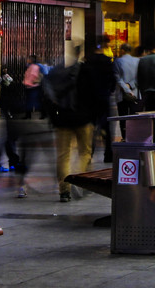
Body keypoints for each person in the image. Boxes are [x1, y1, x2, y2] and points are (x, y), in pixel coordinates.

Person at [44, 57, 101, 202]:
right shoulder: (85, 71)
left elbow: (47, 96)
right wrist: (95, 118)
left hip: (62, 119)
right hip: (84, 118)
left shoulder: (55, 73)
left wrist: (53, 118)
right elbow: (95, 95)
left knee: (63, 155)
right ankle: (78, 180)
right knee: (85, 152)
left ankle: (64, 191)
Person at [85, 36, 117, 162]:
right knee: (107, 127)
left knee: (90, 126)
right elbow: (113, 79)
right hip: (104, 96)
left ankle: (89, 153)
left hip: (90, 98)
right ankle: (108, 153)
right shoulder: (107, 61)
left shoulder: (88, 61)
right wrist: (110, 90)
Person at [114, 43, 140, 120]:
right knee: (134, 119)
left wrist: (126, 89)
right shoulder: (137, 60)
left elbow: (118, 79)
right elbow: (140, 77)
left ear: (122, 50)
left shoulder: (117, 61)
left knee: (123, 119)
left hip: (122, 94)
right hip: (135, 93)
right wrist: (131, 85)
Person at [22, 54, 44, 119]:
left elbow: (33, 76)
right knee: (30, 101)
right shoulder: (30, 66)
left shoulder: (34, 67)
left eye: (29, 59)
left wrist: (28, 82)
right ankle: (28, 115)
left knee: (34, 101)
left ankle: (43, 114)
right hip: (30, 86)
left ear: (32, 60)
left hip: (33, 87)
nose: (27, 60)